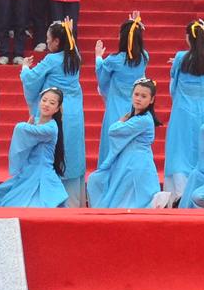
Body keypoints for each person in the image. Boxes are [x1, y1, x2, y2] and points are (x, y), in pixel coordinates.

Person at [21, 21, 86, 201]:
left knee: (54, 152)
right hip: (74, 113)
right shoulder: (75, 57)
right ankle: (74, 200)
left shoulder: (52, 59)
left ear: (57, 41)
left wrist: (25, 67)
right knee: (72, 151)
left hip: (56, 111)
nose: (47, 42)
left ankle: (53, 198)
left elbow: (32, 79)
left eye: (48, 39)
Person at [86, 79, 162, 209]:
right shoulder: (138, 118)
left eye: (143, 96)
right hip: (129, 162)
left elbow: (114, 131)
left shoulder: (143, 120)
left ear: (151, 100)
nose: (138, 99)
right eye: (136, 94)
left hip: (136, 164)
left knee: (130, 200)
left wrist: (120, 122)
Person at [166, 21, 204, 192]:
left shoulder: (181, 58)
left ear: (188, 38)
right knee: (202, 145)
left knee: (181, 149)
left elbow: (173, 82)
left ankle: (180, 191)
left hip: (183, 110)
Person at [0, 87, 70, 208]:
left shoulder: (50, 128)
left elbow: (21, 129)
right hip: (29, 169)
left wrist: (25, 126)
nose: (46, 104)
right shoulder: (35, 122)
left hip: (41, 171)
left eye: (52, 103)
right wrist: (28, 127)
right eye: (44, 100)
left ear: (57, 108)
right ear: (39, 101)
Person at [93, 16, 148, 170]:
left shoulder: (114, 60)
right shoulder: (144, 58)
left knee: (112, 145)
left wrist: (98, 57)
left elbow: (102, 79)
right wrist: (134, 27)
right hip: (135, 108)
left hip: (115, 109)